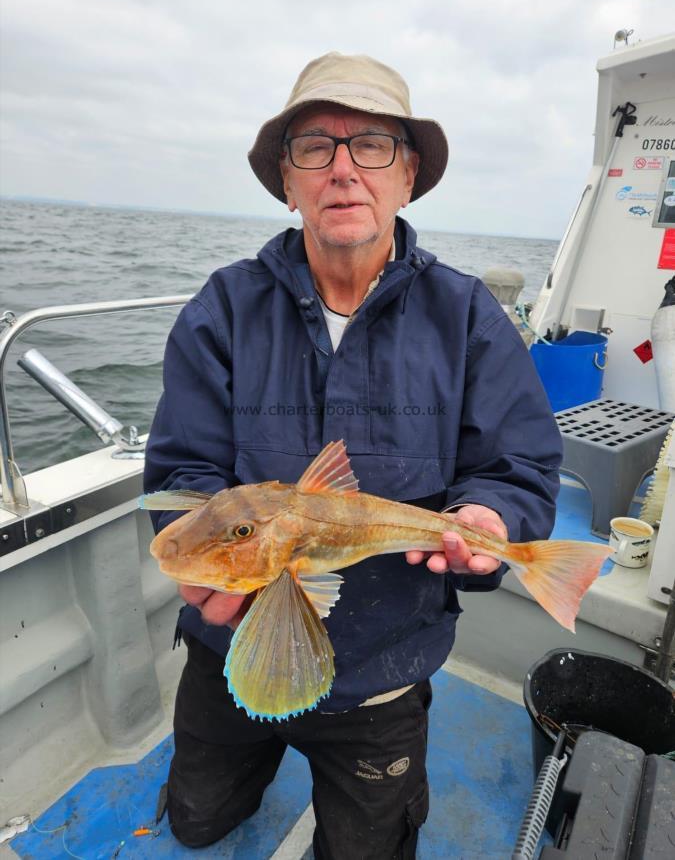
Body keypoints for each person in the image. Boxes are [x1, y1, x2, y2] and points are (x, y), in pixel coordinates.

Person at [144, 51, 562, 858]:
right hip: (230, 646)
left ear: (407, 177)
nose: (342, 169)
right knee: (197, 821)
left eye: (370, 145)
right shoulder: (223, 307)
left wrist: (489, 516)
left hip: (385, 664)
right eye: (314, 148)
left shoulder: (469, 316)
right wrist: (210, 575)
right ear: (287, 180)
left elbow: (516, 465)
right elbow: (182, 468)